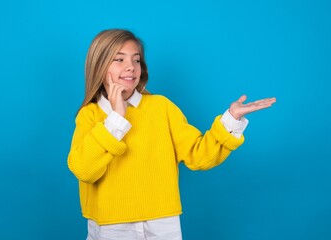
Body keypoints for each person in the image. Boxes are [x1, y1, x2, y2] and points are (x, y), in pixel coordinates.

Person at [67, 29, 276, 240]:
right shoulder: (90, 115)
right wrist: (116, 119)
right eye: (119, 59)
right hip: (110, 227)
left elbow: (199, 155)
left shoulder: (162, 108)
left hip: (162, 224)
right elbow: (84, 169)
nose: (130, 66)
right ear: (99, 66)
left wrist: (231, 118)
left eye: (136, 60)